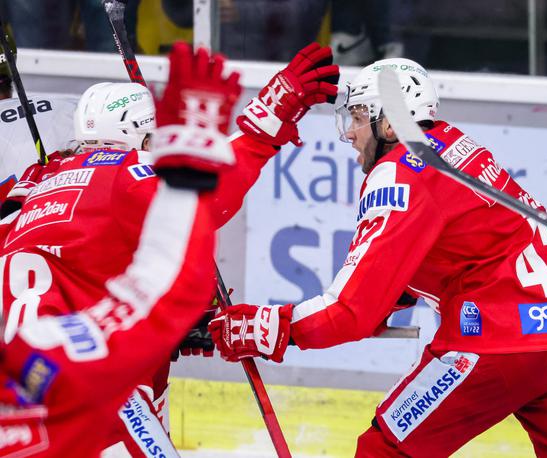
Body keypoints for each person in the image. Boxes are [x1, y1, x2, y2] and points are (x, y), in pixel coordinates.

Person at [210, 58, 547, 457]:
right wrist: (392, 298)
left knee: (384, 452)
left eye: (358, 117)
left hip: (495, 344)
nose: (350, 133)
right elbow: (455, 252)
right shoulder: (457, 145)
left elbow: (348, 312)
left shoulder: (400, 171)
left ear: (390, 123)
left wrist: (265, 327)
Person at [0, 41, 338, 456]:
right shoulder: (122, 173)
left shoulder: (35, 183)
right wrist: (267, 120)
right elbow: (204, 197)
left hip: (18, 385)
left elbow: (83, 263)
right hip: (87, 381)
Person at [0, 42, 237, 455]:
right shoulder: (127, 175)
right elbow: (197, 212)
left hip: (25, 369)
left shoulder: (39, 181)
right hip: (91, 367)